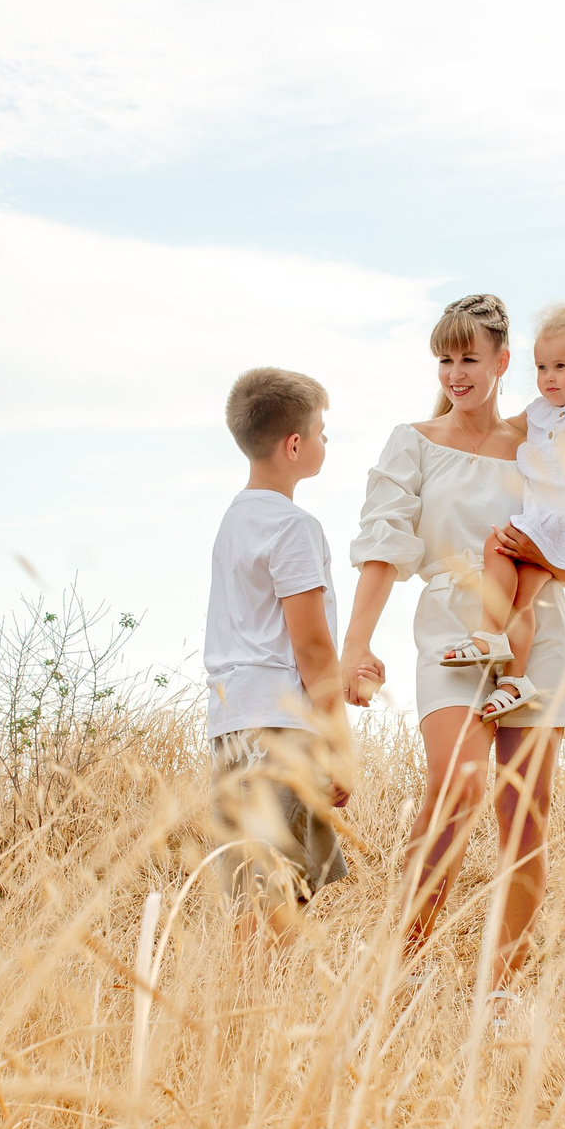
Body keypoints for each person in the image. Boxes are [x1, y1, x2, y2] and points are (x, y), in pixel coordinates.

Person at [340, 293, 565, 998]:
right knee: (457, 785)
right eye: (445, 359)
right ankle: (404, 969)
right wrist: (354, 646)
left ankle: (501, 989)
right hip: (452, 630)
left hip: (537, 630)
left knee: (525, 820)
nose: (456, 373)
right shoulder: (414, 440)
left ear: (502, 361)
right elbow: (382, 545)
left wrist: (537, 550)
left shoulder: (541, 441)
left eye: (469, 358)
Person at [438, 302, 565, 720]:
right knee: (521, 598)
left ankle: (489, 636)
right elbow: (499, 427)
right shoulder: (536, 411)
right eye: (541, 367)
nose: (549, 378)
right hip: (540, 520)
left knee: (499, 545)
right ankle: (515, 681)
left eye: (561, 367)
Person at [204, 366, 351, 946]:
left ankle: (266, 1021)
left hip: (237, 720)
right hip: (280, 725)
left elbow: (262, 632)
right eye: (321, 431)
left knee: (269, 887)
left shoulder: (235, 520)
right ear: (295, 445)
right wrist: (338, 742)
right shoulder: (293, 527)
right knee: (270, 897)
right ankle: (251, 1021)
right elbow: (311, 645)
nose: (323, 442)